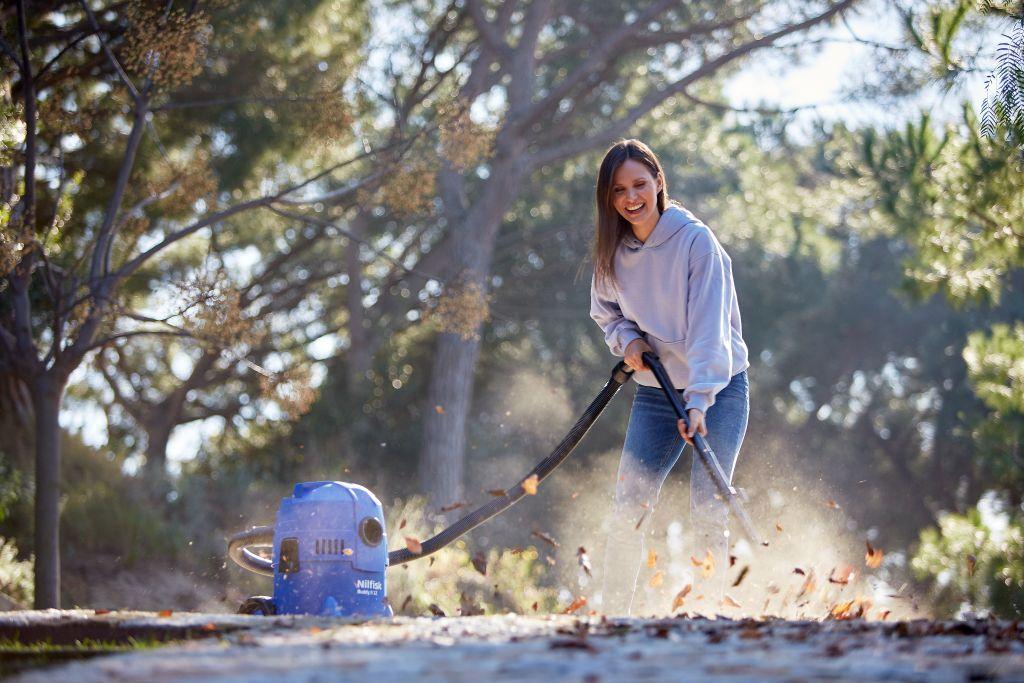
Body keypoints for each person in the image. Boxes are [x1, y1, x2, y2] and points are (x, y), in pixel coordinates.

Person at [590, 138, 750, 615]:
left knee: (708, 503)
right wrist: (628, 341)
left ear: (659, 183)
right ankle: (614, 616)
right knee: (628, 506)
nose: (630, 198)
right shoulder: (612, 251)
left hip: (717, 389)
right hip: (658, 392)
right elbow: (606, 313)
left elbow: (709, 333)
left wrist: (699, 400)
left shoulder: (697, 244)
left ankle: (708, 614)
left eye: (640, 184)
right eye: (619, 190)